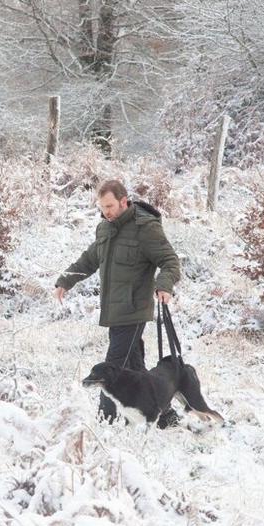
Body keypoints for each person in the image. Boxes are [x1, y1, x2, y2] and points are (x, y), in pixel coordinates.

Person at [55, 179, 182, 423]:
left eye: (110, 206)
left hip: (134, 310)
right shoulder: (105, 228)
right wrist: (65, 280)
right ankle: (165, 416)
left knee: (112, 368)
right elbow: (90, 259)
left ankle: (105, 422)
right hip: (113, 312)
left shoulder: (146, 228)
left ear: (124, 201)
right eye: (102, 207)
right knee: (134, 366)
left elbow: (170, 261)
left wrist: (164, 285)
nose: (106, 212)